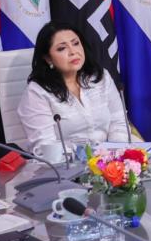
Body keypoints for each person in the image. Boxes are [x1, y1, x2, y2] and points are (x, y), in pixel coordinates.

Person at [18, 22, 131, 152]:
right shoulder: (37, 92)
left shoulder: (100, 77)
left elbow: (119, 122)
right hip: (66, 167)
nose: (73, 52)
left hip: (110, 161)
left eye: (76, 43)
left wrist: (115, 153)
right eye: (62, 48)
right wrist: (87, 156)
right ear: (48, 58)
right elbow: (45, 146)